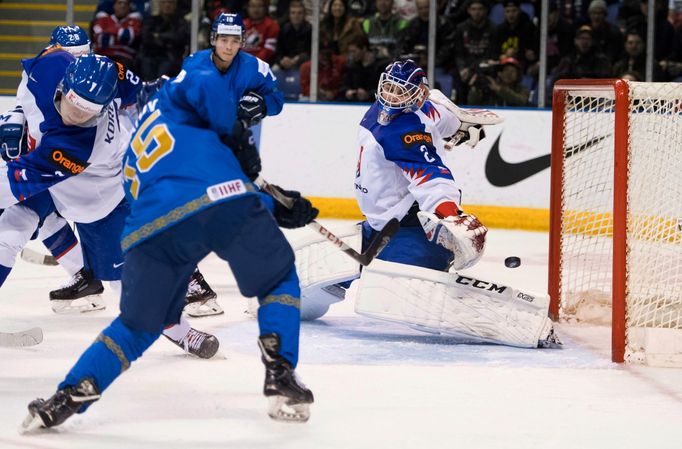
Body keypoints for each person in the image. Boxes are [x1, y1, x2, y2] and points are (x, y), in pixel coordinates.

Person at [21, 13, 317, 432]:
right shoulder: (180, 87)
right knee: (278, 281)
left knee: (137, 325)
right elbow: (212, 117)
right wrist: (257, 184)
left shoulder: (120, 138)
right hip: (217, 200)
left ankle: (68, 395)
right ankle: (281, 373)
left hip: (149, 228)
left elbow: (168, 189)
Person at [287, 59, 562, 349]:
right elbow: (441, 107)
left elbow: (431, 175)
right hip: (379, 226)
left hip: (412, 228)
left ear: (415, 94)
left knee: (400, 292)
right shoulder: (423, 104)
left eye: (400, 91)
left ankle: (524, 322)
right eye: (389, 88)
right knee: (319, 282)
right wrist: (460, 121)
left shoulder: (402, 131)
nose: (392, 96)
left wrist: (449, 213)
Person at [0, 45, 217, 356]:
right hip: (51, 179)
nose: (76, 116)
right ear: (64, 84)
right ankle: (81, 271)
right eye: (74, 104)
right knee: (9, 231)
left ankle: (178, 329)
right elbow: (136, 89)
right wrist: (17, 116)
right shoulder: (56, 63)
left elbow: (12, 183)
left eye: (89, 111)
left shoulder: (77, 145)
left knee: (126, 283)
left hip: (99, 199)